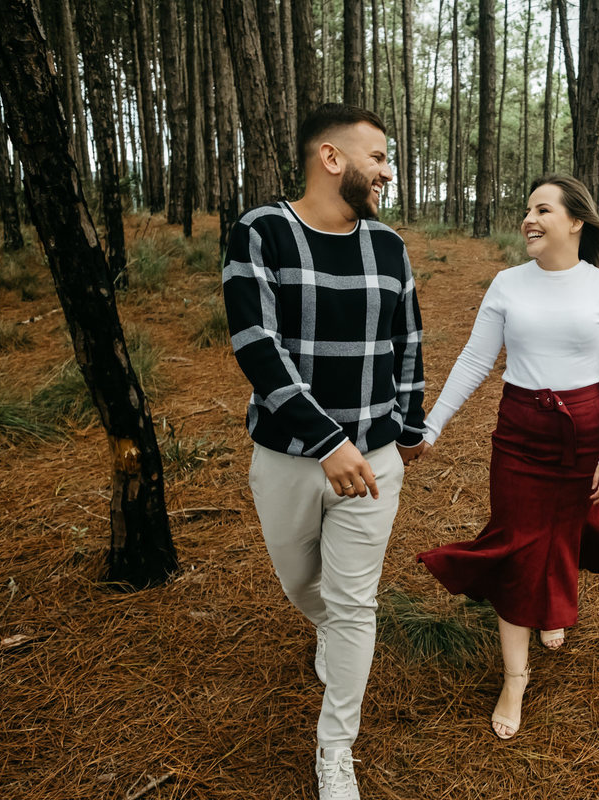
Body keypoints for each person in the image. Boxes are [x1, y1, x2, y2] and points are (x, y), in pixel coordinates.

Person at [222, 103, 427, 800]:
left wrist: (409, 424)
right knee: (300, 585)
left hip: (373, 462)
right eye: (377, 157)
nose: (387, 171)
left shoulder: (390, 247)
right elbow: (257, 346)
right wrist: (324, 439)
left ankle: (334, 752)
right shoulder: (262, 231)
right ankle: (335, 638)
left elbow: (409, 344)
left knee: (353, 604)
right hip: (287, 457)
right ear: (331, 158)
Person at [416, 174, 599, 740]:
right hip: (519, 433)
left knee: (565, 529)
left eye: (542, 209)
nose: (529, 219)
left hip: (583, 433)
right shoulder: (507, 284)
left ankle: (552, 608)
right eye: (526, 210)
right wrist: (432, 424)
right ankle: (515, 678)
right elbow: (474, 360)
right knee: (518, 543)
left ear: (575, 222)